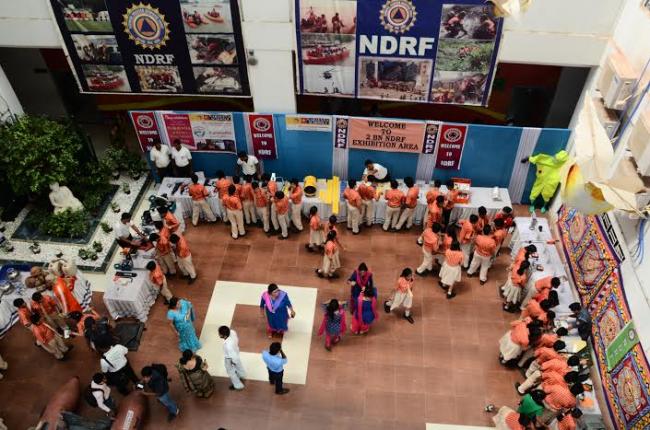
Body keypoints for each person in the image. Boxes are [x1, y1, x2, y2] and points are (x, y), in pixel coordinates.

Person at [219, 326, 246, 391]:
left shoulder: (228, 345)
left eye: (220, 334)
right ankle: (242, 375)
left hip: (229, 358)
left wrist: (233, 361)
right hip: (236, 352)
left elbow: (232, 355)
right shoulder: (232, 332)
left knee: (231, 372)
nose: (219, 334)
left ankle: (238, 385)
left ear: (225, 336)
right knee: (239, 366)